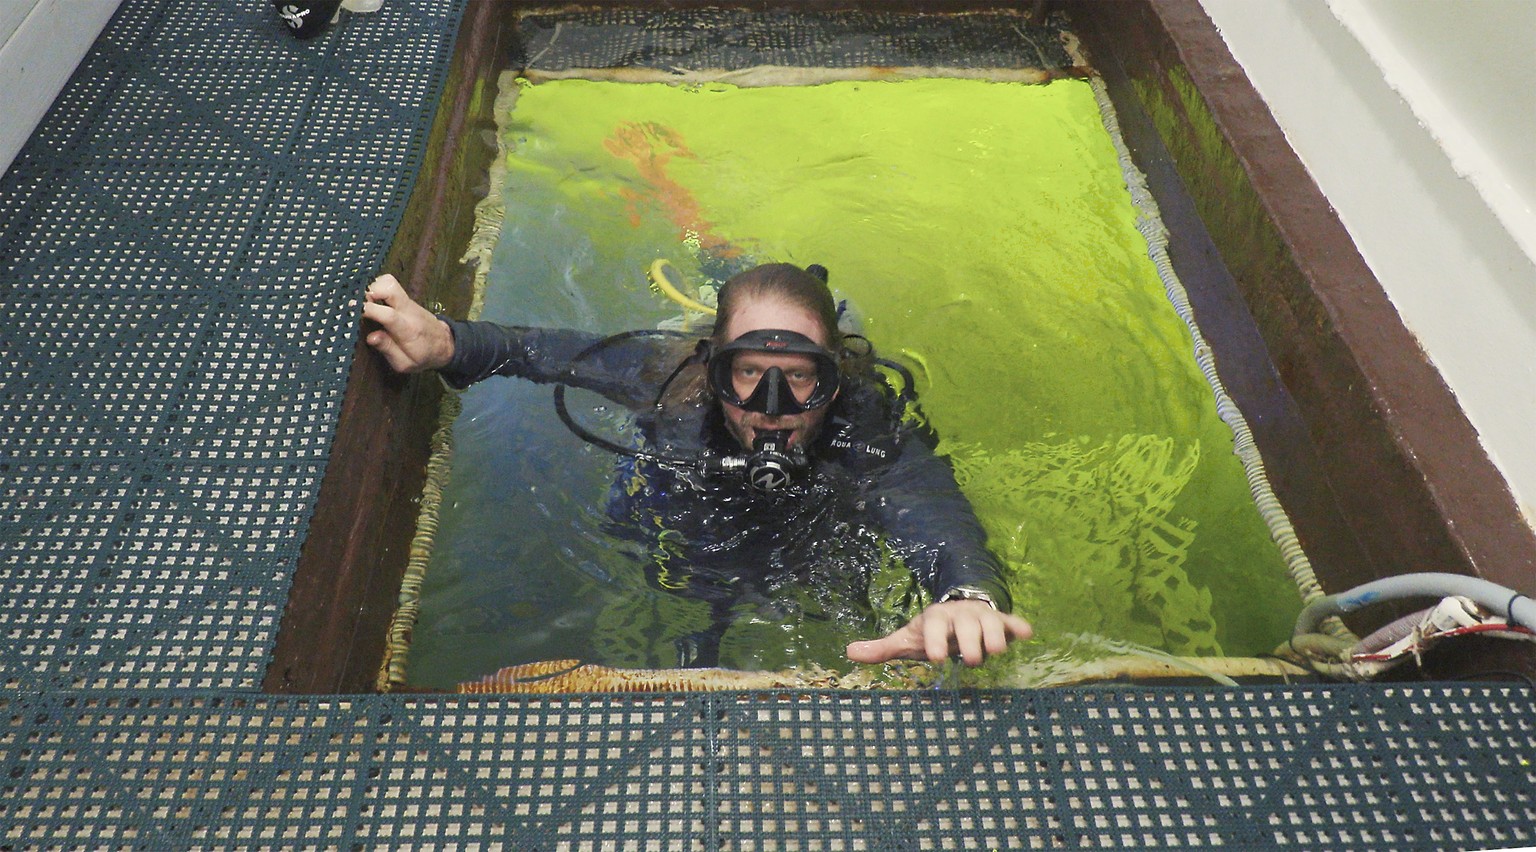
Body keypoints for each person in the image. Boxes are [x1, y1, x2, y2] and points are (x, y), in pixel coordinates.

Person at [362, 263, 1032, 669]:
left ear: (836, 376)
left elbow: (937, 516)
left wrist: (964, 596)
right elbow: (543, 349)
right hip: (691, 535)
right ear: (713, 369)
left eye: (799, 378)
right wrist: (445, 341)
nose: (771, 408)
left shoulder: (865, 429)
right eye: (747, 373)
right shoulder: (668, 381)